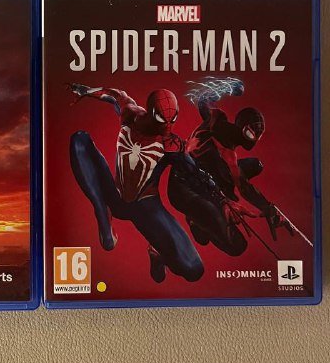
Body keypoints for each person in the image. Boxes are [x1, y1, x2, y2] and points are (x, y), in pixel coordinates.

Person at [69, 84, 204, 284]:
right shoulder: (131, 114)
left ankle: (157, 254)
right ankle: (102, 210)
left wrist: (218, 199)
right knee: (79, 140)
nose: (167, 127)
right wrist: (86, 91)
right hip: (116, 196)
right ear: (151, 112)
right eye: (162, 119)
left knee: (194, 270)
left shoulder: (171, 144)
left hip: (146, 206)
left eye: (172, 120)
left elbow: (196, 175)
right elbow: (116, 94)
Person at [176, 78, 293, 252]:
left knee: (255, 165)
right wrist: (229, 86)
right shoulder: (219, 128)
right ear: (242, 127)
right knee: (206, 238)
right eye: (251, 132)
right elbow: (203, 100)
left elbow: (203, 101)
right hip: (193, 179)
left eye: (257, 134)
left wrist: (268, 208)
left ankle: (207, 212)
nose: (253, 139)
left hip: (210, 175)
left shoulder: (223, 139)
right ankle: (196, 217)